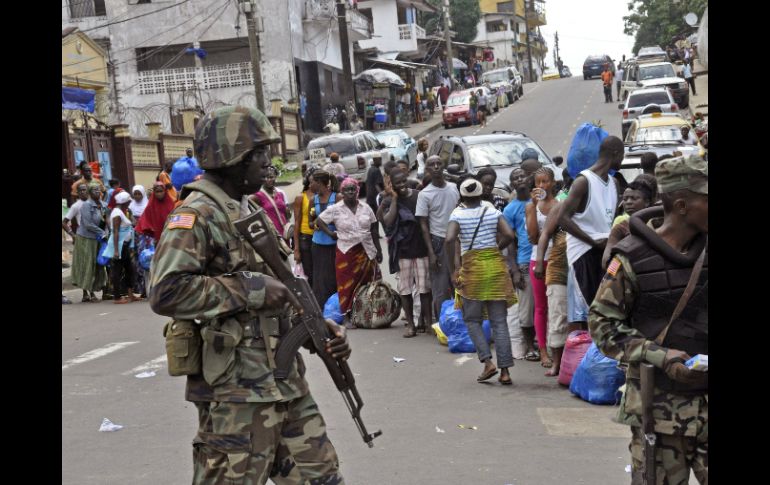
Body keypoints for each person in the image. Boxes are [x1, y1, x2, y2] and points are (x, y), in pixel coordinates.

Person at [149, 105, 349, 484]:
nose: (268, 163)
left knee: (323, 479)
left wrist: (314, 329)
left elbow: (280, 289)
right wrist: (249, 290)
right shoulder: (196, 215)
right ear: (230, 156)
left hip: (285, 382)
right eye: (259, 154)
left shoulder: (248, 208)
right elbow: (166, 291)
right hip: (236, 391)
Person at [589, 156, 708, 484]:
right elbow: (602, 325)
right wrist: (661, 355)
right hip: (662, 413)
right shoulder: (630, 259)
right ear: (683, 205)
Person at [446, 178, 517, 385]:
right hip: (495, 269)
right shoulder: (493, 212)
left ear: (462, 196)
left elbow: (450, 239)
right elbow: (508, 234)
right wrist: (495, 248)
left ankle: (487, 362)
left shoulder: (457, 215)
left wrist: (453, 270)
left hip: (473, 271)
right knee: (499, 321)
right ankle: (505, 372)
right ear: (479, 194)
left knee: (472, 319)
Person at [559, 136, 623, 313]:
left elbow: (613, 219)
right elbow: (562, 218)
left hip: (606, 252)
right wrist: (593, 241)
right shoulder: (583, 181)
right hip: (583, 253)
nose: (622, 160)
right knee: (590, 310)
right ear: (615, 153)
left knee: (607, 309)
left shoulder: (614, 183)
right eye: (622, 155)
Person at [316, 177, 383, 322]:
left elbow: (374, 228)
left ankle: (368, 315)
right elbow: (319, 221)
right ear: (342, 192)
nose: (350, 192)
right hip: (346, 252)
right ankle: (346, 317)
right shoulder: (335, 209)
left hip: (367, 251)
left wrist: (379, 250)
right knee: (346, 286)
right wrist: (331, 234)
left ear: (357, 190)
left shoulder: (366, 208)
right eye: (347, 189)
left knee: (370, 283)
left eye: (353, 189)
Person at [378, 169, 432, 337]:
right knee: (405, 290)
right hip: (402, 252)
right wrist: (393, 198)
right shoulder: (389, 200)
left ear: (407, 179)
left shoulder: (418, 195)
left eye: (403, 181)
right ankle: (411, 325)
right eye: (397, 183)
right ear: (392, 185)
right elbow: (387, 221)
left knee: (425, 289)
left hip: (421, 248)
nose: (401, 185)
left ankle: (427, 322)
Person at [416, 155, 460, 321]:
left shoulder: (454, 188)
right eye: (431, 164)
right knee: (440, 287)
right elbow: (423, 225)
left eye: (438, 163)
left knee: (459, 283)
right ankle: (443, 323)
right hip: (438, 241)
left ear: (444, 166)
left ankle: (461, 322)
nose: (435, 167)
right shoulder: (424, 194)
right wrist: (432, 253)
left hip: (457, 241)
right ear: (426, 169)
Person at [502, 168, 538, 360]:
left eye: (522, 175)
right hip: (524, 261)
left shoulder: (539, 201)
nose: (520, 179)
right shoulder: (510, 209)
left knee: (542, 306)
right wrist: (514, 270)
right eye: (515, 178)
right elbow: (509, 242)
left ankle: (542, 344)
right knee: (526, 308)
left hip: (543, 258)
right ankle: (529, 346)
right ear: (512, 184)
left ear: (529, 178)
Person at [525, 167, 558, 369]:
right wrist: (534, 205)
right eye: (538, 182)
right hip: (537, 260)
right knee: (541, 307)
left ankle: (557, 349)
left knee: (556, 307)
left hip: (556, 260)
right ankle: (543, 351)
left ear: (552, 183)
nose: (541, 186)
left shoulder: (559, 205)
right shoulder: (531, 207)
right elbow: (533, 237)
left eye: (545, 182)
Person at [601, 180, 655, 269]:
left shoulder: (657, 222)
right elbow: (606, 260)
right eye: (625, 199)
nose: (628, 202)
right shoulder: (620, 228)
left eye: (634, 198)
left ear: (647, 202)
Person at [71, 184, 108, 303]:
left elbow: (107, 221)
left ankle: (98, 289)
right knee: (86, 265)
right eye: (94, 190)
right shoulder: (86, 205)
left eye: (98, 190)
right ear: (90, 193)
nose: (97, 192)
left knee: (97, 265)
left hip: (98, 239)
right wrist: (102, 232)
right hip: (85, 239)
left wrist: (107, 233)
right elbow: (87, 224)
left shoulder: (104, 205)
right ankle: (88, 293)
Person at [102, 191, 140, 304]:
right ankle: (117, 297)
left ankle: (130, 294)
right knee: (117, 271)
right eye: (128, 202)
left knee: (129, 269)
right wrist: (116, 251)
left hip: (124, 245)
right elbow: (116, 232)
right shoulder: (117, 213)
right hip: (119, 246)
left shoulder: (121, 211)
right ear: (124, 202)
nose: (129, 204)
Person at [309, 170, 339, 309]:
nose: (310, 185)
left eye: (312, 182)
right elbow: (310, 222)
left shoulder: (336, 197)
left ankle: (336, 306)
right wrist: (315, 223)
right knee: (320, 277)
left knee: (334, 275)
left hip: (334, 243)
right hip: (318, 243)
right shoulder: (312, 200)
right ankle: (321, 307)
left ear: (319, 183)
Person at [293, 168, 318, 286]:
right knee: (310, 273)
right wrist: (296, 249)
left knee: (321, 271)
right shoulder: (300, 198)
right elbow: (296, 223)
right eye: (313, 178)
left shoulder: (323, 195)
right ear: (308, 180)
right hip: (306, 239)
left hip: (321, 237)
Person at [251, 166, 290, 238]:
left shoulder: (280, 194)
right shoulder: (258, 196)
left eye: (271, 177)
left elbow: (287, 216)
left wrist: (290, 229)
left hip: (285, 232)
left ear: (275, 177)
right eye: (266, 177)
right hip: (272, 235)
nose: (269, 180)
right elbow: (248, 209)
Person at [128, 185, 150, 297]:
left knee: (146, 260)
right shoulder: (130, 206)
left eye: (139, 194)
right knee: (136, 261)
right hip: (134, 236)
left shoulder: (148, 205)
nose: (137, 196)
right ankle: (141, 289)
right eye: (135, 194)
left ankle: (149, 288)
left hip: (146, 236)